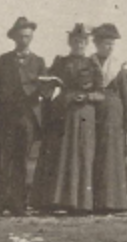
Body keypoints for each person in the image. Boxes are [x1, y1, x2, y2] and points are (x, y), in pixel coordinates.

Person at [33, 24, 102, 213]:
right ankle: (60, 200)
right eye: (75, 41)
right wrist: (50, 89)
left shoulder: (93, 64)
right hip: (64, 113)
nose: (79, 44)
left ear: (87, 43)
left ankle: (81, 203)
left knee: (82, 155)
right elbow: (48, 84)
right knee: (62, 155)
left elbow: (101, 92)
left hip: (85, 114)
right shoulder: (61, 62)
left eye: (82, 41)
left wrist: (87, 97)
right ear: (70, 42)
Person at [0, 17, 47, 217]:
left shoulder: (39, 61)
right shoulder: (3, 60)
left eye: (28, 36)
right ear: (14, 37)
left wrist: (44, 87)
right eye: (21, 36)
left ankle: (18, 204)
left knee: (23, 159)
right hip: (6, 116)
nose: (24, 40)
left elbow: (46, 89)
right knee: (4, 158)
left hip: (28, 116)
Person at [89, 24, 127, 214]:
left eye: (112, 44)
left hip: (114, 114)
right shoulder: (89, 63)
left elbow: (124, 93)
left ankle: (112, 202)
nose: (110, 47)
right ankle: (91, 201)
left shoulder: (117, 65)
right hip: (93, 113)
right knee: (93, 154)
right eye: (106, 44)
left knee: (111, 156)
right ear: (97, 44)